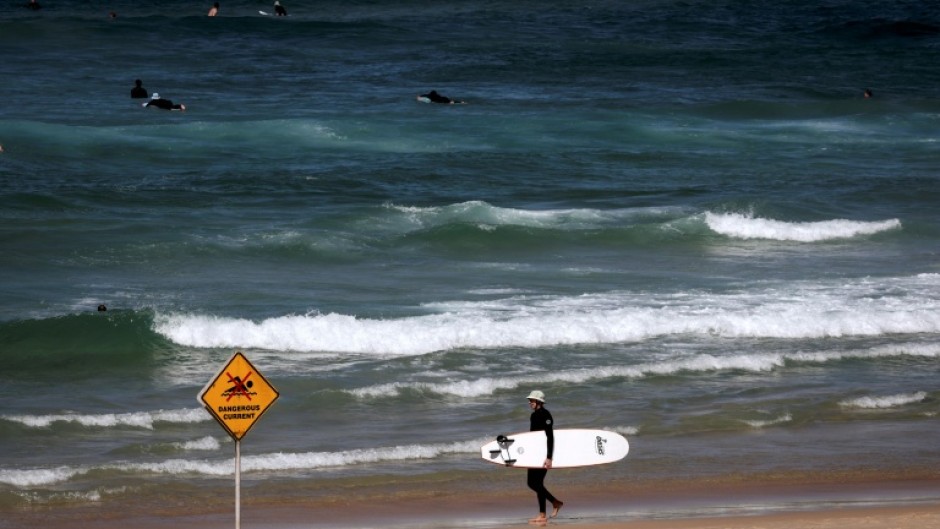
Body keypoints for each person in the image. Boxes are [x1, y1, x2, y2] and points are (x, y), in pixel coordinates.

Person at [525, 390, 563, 525]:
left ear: (539, 402)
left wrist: (549, 457)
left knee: (535, 483)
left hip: (543, 455)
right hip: (534, 454)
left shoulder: (546, 415)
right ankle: (545, 512)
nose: (529, 402)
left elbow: (550, 437)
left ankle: (554, 503)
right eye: (529, 400)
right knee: (532, 483)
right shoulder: (533, 415)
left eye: (532, 400)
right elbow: (533, 437)